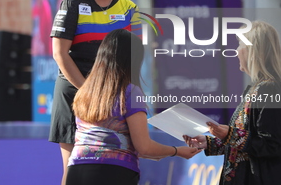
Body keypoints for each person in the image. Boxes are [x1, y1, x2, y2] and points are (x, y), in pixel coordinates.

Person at [49, 0, 141, 185]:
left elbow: (132, 56)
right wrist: (88, 91)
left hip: (113, 95)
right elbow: (59, 54)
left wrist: (125, 95)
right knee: (73, 169)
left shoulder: (129, 9)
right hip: (75, 92)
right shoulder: (72, 5)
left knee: (114, 164)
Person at [66, 29, 201, 185]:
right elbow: (144, 147)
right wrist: (177, 151)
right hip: (113, 172)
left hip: (76, 170)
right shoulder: (130, 92)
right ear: (133, 60)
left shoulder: (84, 91)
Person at [184, 21, 281, 185]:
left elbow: (272, 145)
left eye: (240, 45)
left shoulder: (269, 89)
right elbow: (246, 145)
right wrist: (209, 143)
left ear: (253, 51)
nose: (236, 52)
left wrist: (231, 134)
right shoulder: (257, 88)